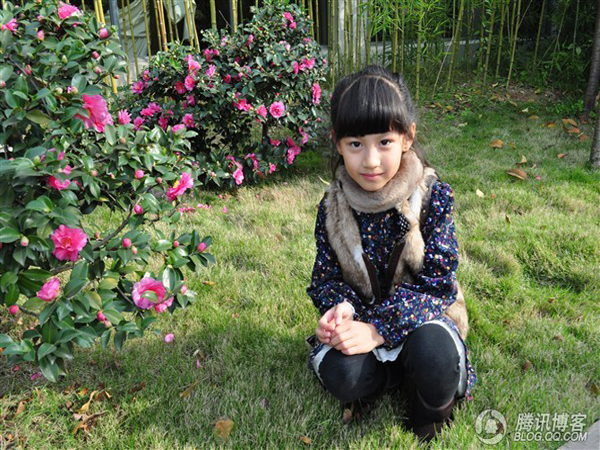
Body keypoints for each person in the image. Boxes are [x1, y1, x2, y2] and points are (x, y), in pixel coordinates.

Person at [306, 65, 476, 443]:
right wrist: (340, 309)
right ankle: (386, 378)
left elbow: (438, 284)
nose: (370, 160)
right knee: (341, 374)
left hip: (423, 320)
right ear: (337, 143)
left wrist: (378, 330)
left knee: (435, 358)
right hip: (363, 320)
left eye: (384, 142)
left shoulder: (432, 196)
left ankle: (430, 410)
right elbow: (325, 277)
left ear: (407, 138)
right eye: (356, 144)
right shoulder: (332, 206)